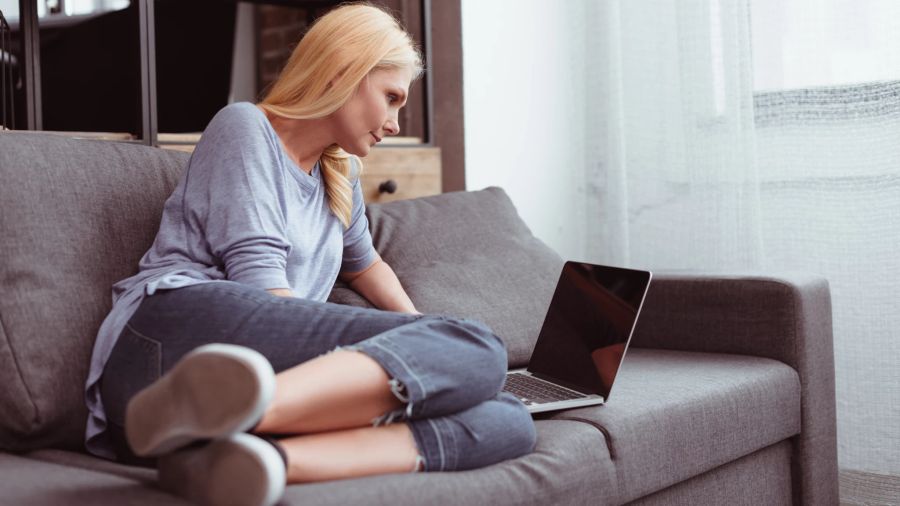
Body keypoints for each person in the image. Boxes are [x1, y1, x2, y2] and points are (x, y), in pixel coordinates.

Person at [83, 4, 536, 505]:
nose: (393, 122)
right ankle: (237, 408)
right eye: (391, 98)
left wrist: (425, 339)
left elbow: (366, 264)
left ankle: (261, 460)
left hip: (195, 415)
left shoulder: (337, 175)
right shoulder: (246, 128)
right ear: (344, 70)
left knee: (509, 421)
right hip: (166, 348)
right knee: (478, 346)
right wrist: (442, 346)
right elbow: (260, 283)